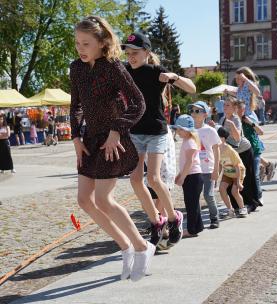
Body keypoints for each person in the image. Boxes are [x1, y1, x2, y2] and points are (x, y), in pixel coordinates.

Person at [70, 16, 155, 282]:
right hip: (89, 141)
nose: (81, 49)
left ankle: (142, 246)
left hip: (112, 142)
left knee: (105, 199)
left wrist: (117, 130)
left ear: (102, 43)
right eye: (77, 43)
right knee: (84, 200)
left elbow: (138, 103)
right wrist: (75, 137)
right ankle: (125, 246)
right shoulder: (76, 69)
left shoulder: (114, 67)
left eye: (86, 43)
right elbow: (76, 105)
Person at [122, 32, 196, 247]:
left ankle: (174, 218)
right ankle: (156, 220)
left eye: (135, 53)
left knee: (154, 178)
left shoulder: (155, 71)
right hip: (135, 132)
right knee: (135, 179)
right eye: (128, 53)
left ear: (146, 52)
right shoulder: (125, 71)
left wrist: (173, 77)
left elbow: (192, 89)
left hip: (156, 132)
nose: (131, 57)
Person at [212, 97, 261, 213]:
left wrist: (232, 126)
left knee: (245, 180)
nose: (225, 107)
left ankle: (250, 203)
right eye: (224, 105)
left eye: (228, 105)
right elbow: (220, 135)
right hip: (231, 153)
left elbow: (237, 138)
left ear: (234, 108)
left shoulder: (236, 119)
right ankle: (237, 206)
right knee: (230, 179)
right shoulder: (222, 119)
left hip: (243, 151)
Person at [189, 101, 221, 229]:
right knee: (194, 197)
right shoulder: (189, 131)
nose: (193, 113)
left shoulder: (210, 130)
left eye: (197, 111)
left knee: (208, 195)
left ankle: (214, 217)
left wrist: (216, 169)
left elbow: (216, 149)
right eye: (192, 111)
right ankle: (198, 221)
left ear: (205, 114)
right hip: (194, 169)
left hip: (208, 168)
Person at [173, 115, 204, 237]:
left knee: (191, 204)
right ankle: (197, 227)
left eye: (180, 129)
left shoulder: (190, 142)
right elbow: (185, 162)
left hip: (193, 176)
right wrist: (179, 174)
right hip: (190, 176)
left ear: (187, 130)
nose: (178, 131)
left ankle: (191, 230)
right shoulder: (187, 141)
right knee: (193, 203)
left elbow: (189, 162)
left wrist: (182, 177)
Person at [236, 101, 264, 203]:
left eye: (243, 109)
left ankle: (258, 195)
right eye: (239, 109)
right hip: (242, 152)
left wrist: (250, 123)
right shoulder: (234, 122)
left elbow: (261, 132)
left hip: (255, 150)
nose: (241, 111)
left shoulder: (248, 119)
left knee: (255, 175)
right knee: (246, 176)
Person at [217, 127, 248, 217]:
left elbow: (237, 166)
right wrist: (216, 177)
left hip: (238, 172)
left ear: (222, 138)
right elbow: (219, 164)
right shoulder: (216, 149)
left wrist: (238, 182)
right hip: (227, 173)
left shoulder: (230, 150)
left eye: (216, 137)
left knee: (234, 191)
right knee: (222, 189)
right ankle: (230, 209)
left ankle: (242, 208)